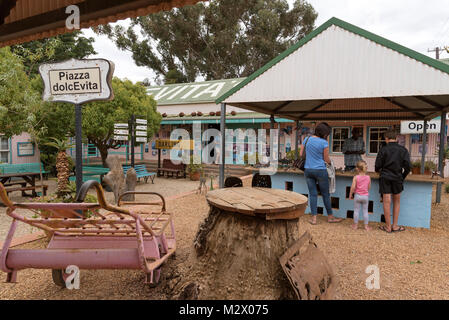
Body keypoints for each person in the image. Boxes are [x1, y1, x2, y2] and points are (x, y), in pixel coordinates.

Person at [301, 123, 343, 225]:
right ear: (323, 133)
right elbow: (326, 159)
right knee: (325, 194)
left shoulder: (306, 139)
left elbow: (301, 154)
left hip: (308, 170)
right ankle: (330, 217)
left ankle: (314, 218)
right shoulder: (324, 143)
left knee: (312, 194)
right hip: (320, 170)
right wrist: (330, 163)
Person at [375, 129, 411, 233]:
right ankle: (395, 226)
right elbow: (408, 167)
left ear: (386, 139)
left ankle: (387, 227)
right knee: (397, 202)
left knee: (386, 202)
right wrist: (402, 176)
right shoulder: (403, 150)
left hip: (385, 177)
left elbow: (377, 166)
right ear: (396, 138)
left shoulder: (383, 150)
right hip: (397, 178)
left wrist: (380, 171)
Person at [349, 161, 372, 231]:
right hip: (365, 196)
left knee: (356, 211)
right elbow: (369, 187)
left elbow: (352, 187)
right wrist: (365, 191)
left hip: (357, 196)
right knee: (365, 211)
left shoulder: (356, 177)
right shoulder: (368, 177)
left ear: (357, 169)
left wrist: (350, 194)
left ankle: (355, 225)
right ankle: (366, 226)